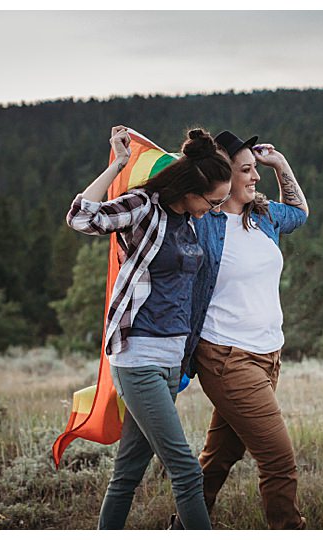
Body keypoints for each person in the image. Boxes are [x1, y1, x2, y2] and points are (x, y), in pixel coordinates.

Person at [66, 125, 233, 530]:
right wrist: (120, 164)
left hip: (171, 363)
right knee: (187, 471)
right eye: (212, 201)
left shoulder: (193, 222)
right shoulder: (144, 208)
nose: (214, 208)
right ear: (190, 189)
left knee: (127, 474)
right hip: (138, 358)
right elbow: (80, 217)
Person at [171, 130, 309, 529]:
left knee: (218, 459)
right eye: (246, 170)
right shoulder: (201, 223)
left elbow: (299, 214)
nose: (255, 177)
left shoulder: (262, 216)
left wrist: (280, 165)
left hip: (268, 356)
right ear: (224, 177)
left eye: (254, 169)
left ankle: (183, 528)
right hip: (226, 357)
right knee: (279, 460)